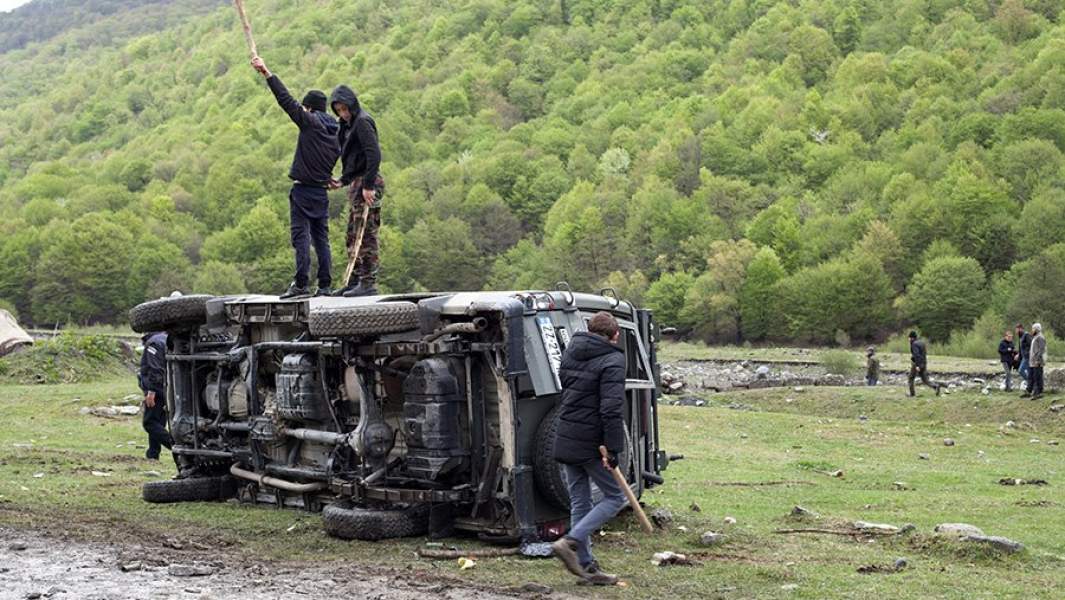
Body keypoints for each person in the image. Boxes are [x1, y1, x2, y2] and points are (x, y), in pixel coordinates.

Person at [251, 56, 341, 299]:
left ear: (309, 108)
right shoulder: (338, 134)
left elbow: (286, 100)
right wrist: (339, 179)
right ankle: (325, 285)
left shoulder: (310, 123)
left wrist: (267, 73)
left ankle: (301, 283)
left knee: (301, 237)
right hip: (321, 192)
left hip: (302, 191)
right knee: (322, 239)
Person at [550, 312, 628, 586]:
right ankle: (570, 541)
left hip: (566, 433)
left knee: (580, 501)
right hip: (591, 441)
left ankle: (587, 568)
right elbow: (610, 409)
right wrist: (614, 449)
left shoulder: (571, 353)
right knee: (615, 497)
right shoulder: (613, 359)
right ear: (613, 334)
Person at [329, 84, 383, 297]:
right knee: (352, 234)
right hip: (357, 182)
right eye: (338, 110)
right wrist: (342, 180)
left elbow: (373, 154)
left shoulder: (361, 122)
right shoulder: (347, 125)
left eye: (345, 109)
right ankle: (354, 278)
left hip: (368, 182)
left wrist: (368, 186)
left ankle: (368, 282)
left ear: (352, 105)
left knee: (366, 233)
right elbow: (354, 160)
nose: (342, 113)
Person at [139, 331, 172, 460]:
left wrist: (151, 391)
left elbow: (155, 369)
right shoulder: (166, 339)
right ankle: (153, 453)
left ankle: (175, 446)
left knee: (149, 422)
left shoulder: (153, 343)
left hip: (157, 389)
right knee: (159, 421)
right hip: (168, 387)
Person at [908, 331, 941, 397]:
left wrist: (917, 366)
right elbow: (923, 354)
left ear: (911, 338)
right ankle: (935, 386)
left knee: (911, 378)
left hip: (917, 364)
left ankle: (912, 394)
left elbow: (917, 355)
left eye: (909, 338)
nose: (908, 339)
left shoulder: (914, 344)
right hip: (924, 363)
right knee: (925, 380)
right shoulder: (922, 342)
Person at [1026, 323, 1047, 400]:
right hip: (1032, 362)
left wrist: (1038, 360)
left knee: (1037, 377)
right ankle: (1032, 392)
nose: (1032, 330)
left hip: (1037, 362)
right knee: (1032, 377)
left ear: (1037, 329)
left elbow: (1042, 350)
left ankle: (1038, 393)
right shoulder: (1035, 337)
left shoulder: (1040, 337)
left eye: (1033, 329)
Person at [1016, 323, 1032, 393]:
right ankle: (1030, 387)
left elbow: (1031, 345)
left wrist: (1027, 353)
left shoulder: (1026, 335)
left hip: (1027, 357)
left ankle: (1030, 383)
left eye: (1017, 329)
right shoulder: (1020, 337)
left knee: (1020, 370)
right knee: (1029, 372)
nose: (1016, 331)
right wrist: (1019, 354)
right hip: (1023, 357)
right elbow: (1021, 347)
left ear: (1021, 329)